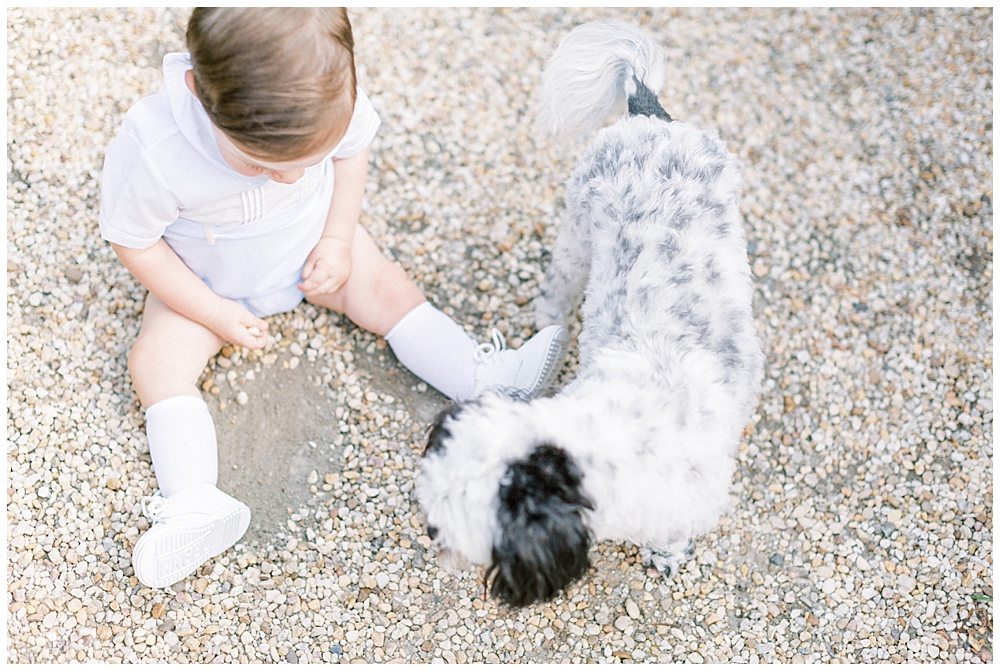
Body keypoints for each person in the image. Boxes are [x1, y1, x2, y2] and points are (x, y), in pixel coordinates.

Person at [99, 7, 568, 588]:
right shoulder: (155, 147)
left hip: (311, 248)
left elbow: (351, 155)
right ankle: (194, 500)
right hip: (204, 280)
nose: (291, 180)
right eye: (262, 165)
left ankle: (484, 380)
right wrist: (211, 310)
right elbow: (135, 243)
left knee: (386, 287)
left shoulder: (326, 94)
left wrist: (339, 239)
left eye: (306, 163)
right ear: (197, 91)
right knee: (154, 363)